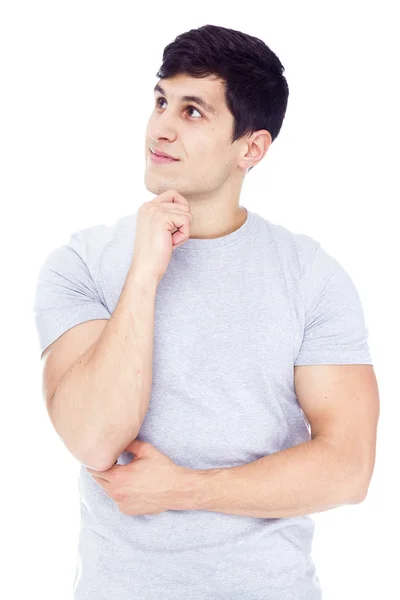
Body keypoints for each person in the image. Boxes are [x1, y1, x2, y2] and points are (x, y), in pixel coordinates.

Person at [33, 24, 379, 600]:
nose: (161, 127)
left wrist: (185, 489)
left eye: (193, 111)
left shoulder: (312, 277)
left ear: (251, 147)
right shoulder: (82, 264)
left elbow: (349, 468)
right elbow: (94, 438)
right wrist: (144, 275)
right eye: (161, 100)